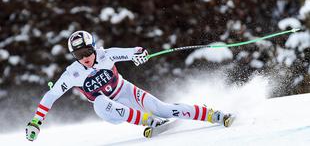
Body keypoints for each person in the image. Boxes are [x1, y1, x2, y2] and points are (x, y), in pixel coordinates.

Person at [25, 30, 233, 141]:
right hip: (109, 109)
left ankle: (212, 115)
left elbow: (135, 51)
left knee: (164, 109)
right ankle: (149, 121)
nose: (85, 58)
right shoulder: (73, 74)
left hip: (125, 91)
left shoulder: (107, 55)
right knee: (99, 102)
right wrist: (36, 122)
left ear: (94, 47)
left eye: (88, 52)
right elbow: (51, 96)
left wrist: (141, 56)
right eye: (79, 55)